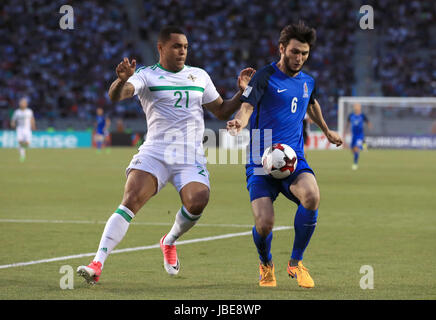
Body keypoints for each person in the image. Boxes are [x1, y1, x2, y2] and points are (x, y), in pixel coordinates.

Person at [77, 26, 255, 284]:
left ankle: (169, 240)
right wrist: (121, 80)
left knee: (198, 200)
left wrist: (242, 91)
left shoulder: (199, 76)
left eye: (185, 46)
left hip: (189, 156)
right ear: (160, 48)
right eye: (176, 46)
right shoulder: (146, 76)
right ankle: (97, 263)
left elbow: (221, 111)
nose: (182, 51)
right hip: (155, 152)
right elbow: (118, 95)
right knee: (131, 199)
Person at [226, 22, 342, 288]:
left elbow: (311, 104)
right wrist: (239, 122)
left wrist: (326, 130)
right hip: (260, 161)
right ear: (282, 49)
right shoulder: (264, 76)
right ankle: (266, 265)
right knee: (265, 224)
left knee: (312, 196)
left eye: (304, 53)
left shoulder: (307, 81)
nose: (299, 58)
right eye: (294, 52)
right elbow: (246, 107)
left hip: (293, 159)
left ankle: (296, 263)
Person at [345, 103, 372, 170]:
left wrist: (369, 126)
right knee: (353, 150)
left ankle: (355, 164)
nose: (356, 107)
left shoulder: (362, 115)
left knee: (356, 149)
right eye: (355, 106)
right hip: (354, 135)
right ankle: (364, 145)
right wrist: (346, 131)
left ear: (360, 107)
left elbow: (367, 122)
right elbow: (347, 123)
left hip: (360, 135)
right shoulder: (351, 115)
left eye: (358, 106)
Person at [10, 97, 36, 162]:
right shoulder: (17, 112)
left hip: (27, 129)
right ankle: (22, 155)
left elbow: (32, 119)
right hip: (20, 129)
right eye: (22, 103)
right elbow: (13, 120)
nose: (23, 104)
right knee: (20, 142)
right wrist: (12, 124)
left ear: (26, 104)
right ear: (20, 104)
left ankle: (21, 148)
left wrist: (33, 125)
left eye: (24, 103)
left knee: (27, 143)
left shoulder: (29, 111)